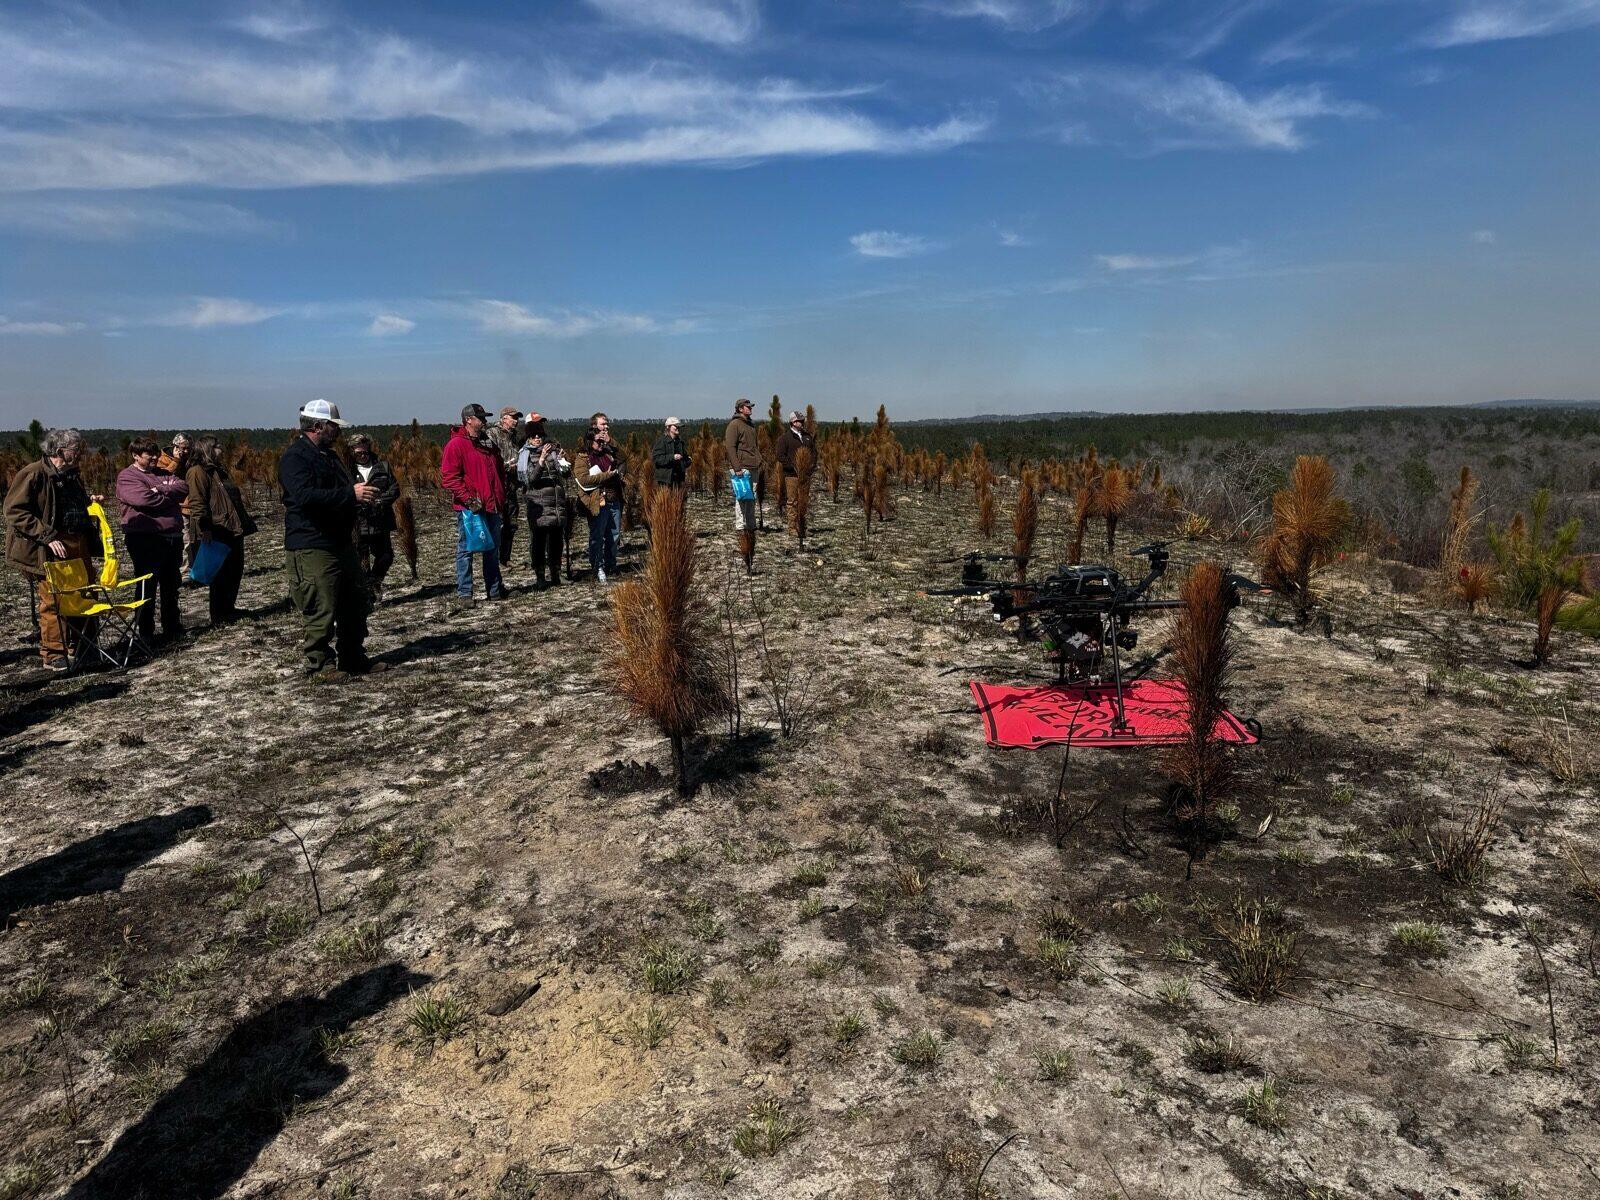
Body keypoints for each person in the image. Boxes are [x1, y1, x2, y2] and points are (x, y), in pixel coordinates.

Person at [279, 399, 381, 679]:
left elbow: (338, 492)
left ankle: (352, 656)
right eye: (333, 426)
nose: (337, 431)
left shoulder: (330, 456)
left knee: (354, 601)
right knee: (321, 605)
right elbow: (303, 498)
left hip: (339, 542)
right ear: (317, 426)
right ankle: (320, 664)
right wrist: (351, 495)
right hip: (311, 544)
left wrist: (359, 498)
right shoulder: (295, 458)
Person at [4, 427, 98, 671]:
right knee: (53, 600)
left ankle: (84, 646)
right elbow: (14, 511)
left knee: (86, 593)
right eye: (76, 450)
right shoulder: (33, 474)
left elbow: (71, 504)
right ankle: (54, 653)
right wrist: (46, 535)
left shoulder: (72, 475)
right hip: (50, 546)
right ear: (59, 450)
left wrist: (90, 503)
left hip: (79, 542)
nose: (80, 454)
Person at [115, 436, 188, 645]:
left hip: (172, 538)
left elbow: (183, 487)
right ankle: (146, 631)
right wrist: (170, 501)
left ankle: (172, 627)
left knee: (171, 584)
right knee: (147, 585)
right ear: (136, 455)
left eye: (156, 454)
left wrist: (163, 489)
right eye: (150, 455)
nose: (155, 458)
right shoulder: (127, 477)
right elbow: (143, 499)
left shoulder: (163, 474)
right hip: (145, 539)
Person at [185, 435, 256, 626]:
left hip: (232, 527)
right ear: (207, 449)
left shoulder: (219, 470)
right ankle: (219, 614)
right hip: (216, 528)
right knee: (220, 574)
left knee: (235, 569)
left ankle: (229, 608)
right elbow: (197, 502)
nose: (221, 449)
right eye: (217, 446)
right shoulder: (197, 472)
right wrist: (205, 527)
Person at [440, 402, 507, 603]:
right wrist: (468, 499)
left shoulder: (488, 444)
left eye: (485, 418)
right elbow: (449, 477)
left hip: (491, 504)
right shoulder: (456, 445)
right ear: (468, 420)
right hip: (470, 508)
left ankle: (494, 590)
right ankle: (465, 593)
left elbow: (498, 473)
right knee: (466, 549)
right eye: (481, 418)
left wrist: (500, 498)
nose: (485, 421)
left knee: (492, 548)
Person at [516, 415, 569, 589]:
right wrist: (540, 462)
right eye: (533, 436)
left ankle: (556, 574)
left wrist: (562, 462)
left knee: (556, 541)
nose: (537, 438)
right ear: (528, 438)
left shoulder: (552, 451)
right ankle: (539, 576)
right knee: (538, 542)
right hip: (538, 505)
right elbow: (529, 479)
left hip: (555, 502)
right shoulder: (525, 455)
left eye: (539, 435)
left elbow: (564, 475)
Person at [348, 433, 401, 604]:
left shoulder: (382, 466)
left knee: (386, 556)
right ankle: (366, 595)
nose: (363, 456)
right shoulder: (347, 471)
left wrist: (379, 500)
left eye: (365, 452)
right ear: (351, 452)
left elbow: (394, 489)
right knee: (361, 559)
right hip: (358, 522)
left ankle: (373, 582)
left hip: (380, 519)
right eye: (358, 453)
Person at [572, 420, 624, 584]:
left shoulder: (608, 452)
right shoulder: (583, 458)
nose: (601, 444)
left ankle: (610, 565)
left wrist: (610, 441)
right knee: (598, 535)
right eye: (598, 441)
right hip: (597, 500)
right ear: (590, 440)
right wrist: (608, 475)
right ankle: (598, 566)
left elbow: (624, 457)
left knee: (614, 536)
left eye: (602, 441)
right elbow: (584, 480)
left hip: (613, 499)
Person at [488, 406, 525, 571]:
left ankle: (506, 558)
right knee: (499, 524)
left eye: (517, 418)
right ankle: (495, 561)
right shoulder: (492, 434)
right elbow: (488, 461)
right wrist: (506, 466)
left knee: (512, 524)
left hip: (511, 488)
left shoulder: (514, 437)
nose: (516, 420)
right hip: (497, 488)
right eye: (513, 417)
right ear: (504, 418)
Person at [159, 434, 198, 583]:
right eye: (183, 448)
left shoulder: (192, 459)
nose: (186, 451)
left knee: (195, 540)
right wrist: (176, 460)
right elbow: (163, 479)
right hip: (177, 506)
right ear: (175, 447)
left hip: (192, 504)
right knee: (185, 540)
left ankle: (195, 570)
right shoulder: (163, 459)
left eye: (189, 448)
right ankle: (185, 573)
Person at [724, 398, 762, 533]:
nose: (750, 409)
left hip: (753, 465)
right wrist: (737, 467)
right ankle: (740, 526)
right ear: (740, 409)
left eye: (750, 406)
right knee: (742, 496)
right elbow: (730, 447)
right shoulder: (734, 425)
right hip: (742, 467)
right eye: (748, 407)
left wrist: (759, 460)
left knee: (752, 496)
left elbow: (754, 446)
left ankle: (751, 524)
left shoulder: (750, 425)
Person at [774, 410, 816, 514]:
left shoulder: (807, 436)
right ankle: (792, 528)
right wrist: (792, 467)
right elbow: (780, 455)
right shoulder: (785, 438)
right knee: (792, 502)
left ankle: (801, 525)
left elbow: (814, 453)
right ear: (793, 422)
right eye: (800, 421)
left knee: (803, 500)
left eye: (803, 420)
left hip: (805, 474)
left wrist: (811, 467)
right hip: (791, 475)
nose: (802, 422)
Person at [651, 416, 691, 490]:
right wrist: (672, 457)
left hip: (678, 480)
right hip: (665, 481)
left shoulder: (680, 442)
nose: (678, 428)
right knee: (666, 501)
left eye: (679, 426)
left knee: (678, 500)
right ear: (668, 427)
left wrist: (688, 461)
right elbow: (656, 459)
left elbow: (684, 458)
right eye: (676, 426)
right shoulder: (662, 441)